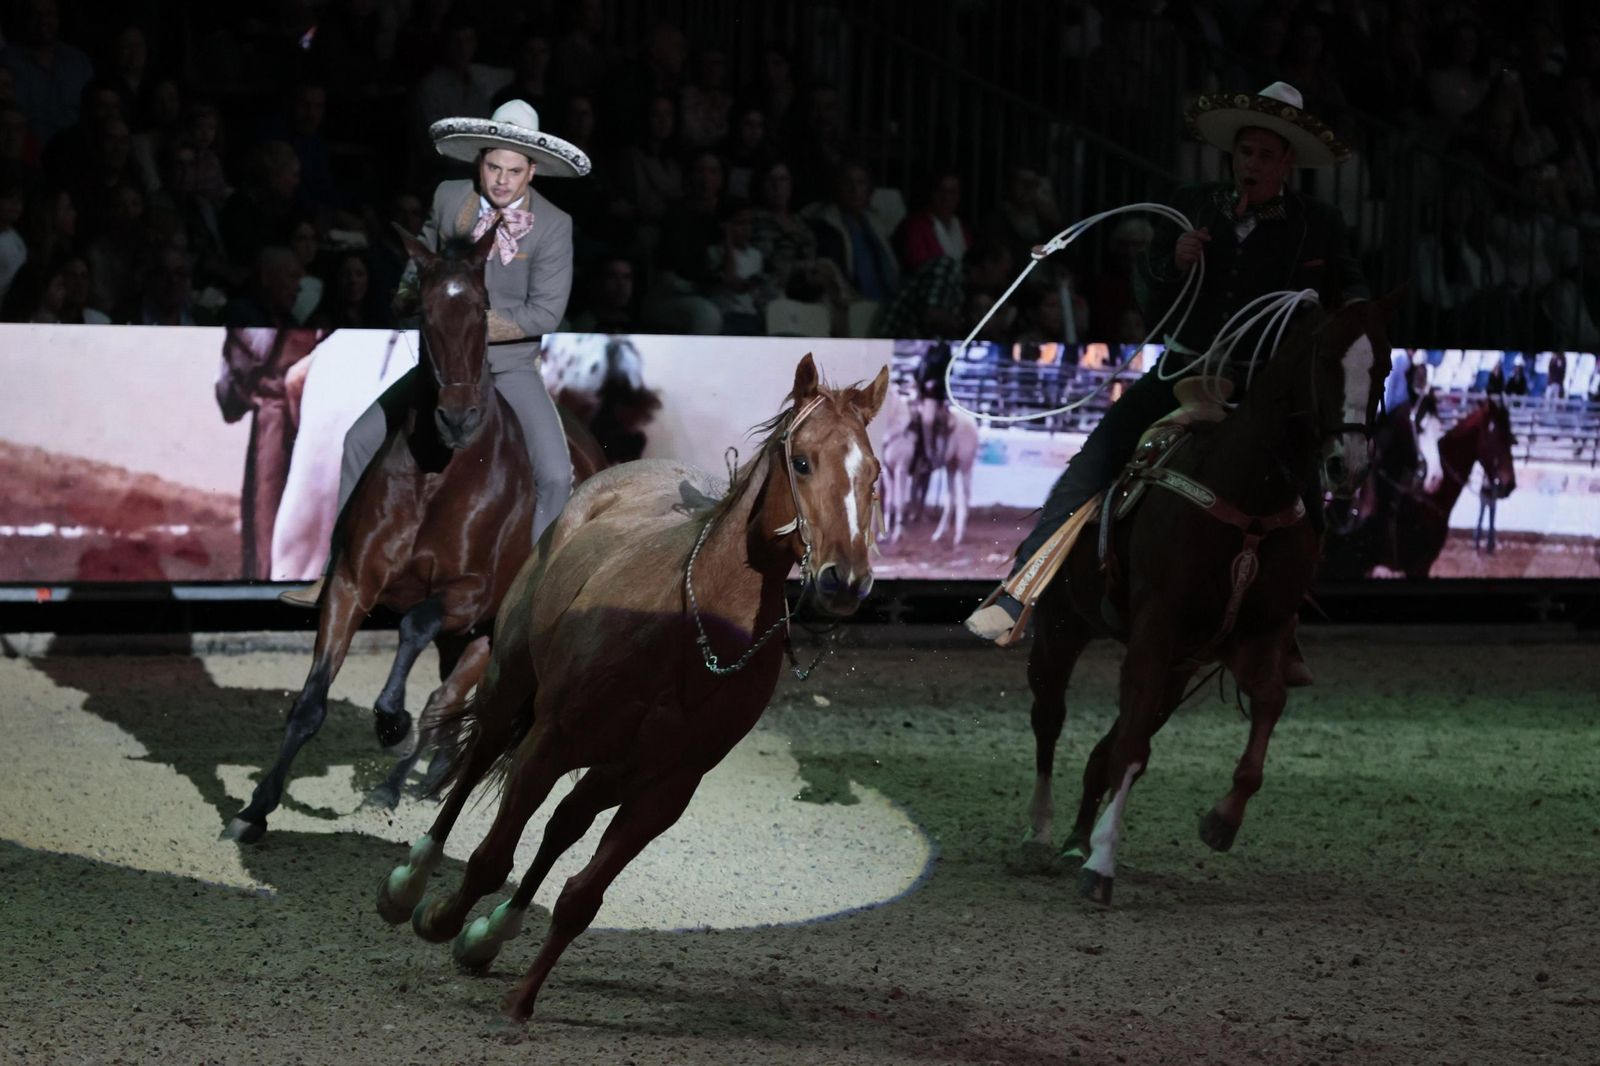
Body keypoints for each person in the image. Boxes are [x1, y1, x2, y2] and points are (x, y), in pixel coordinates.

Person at [966, 82, 1369, 688]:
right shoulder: (1193, 205)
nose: (1252, 164)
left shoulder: (1319, 226)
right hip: (1182, 371)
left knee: (1306, 490)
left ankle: (1282, 628)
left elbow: (1356, 298)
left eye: (1265, 155)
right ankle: (1019, 588)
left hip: (1263, 390)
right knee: (1095, 459)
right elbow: (1150, 295)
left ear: (1287, 162)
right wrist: (1170, 263)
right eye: (1245, 153)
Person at [279, 99, 589, 607]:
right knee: (359, 440)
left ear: (532, 170)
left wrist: (470, 325)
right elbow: (413, 271)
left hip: (508, 367)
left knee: (555, 472)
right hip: (443, 366)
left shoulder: (554, 225)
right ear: (479, 162)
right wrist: (412, 301)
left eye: (514, 171)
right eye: (493, 167)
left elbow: (545, 315)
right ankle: (337, 572)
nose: (503, 181)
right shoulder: (449, 199)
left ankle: (532, 595)